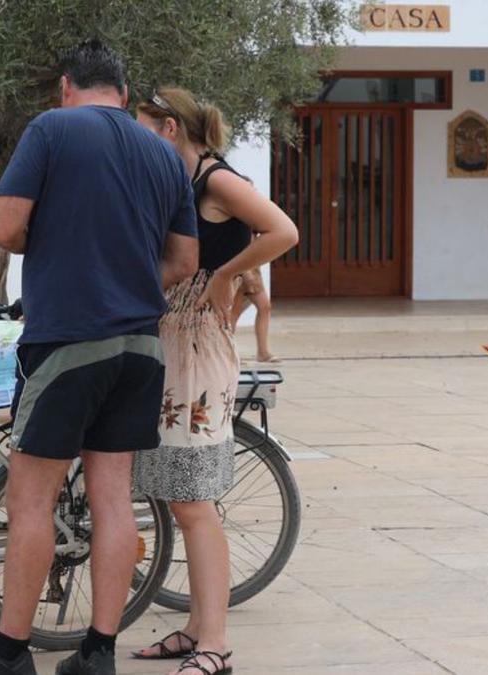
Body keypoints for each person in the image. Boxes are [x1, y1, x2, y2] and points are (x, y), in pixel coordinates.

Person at [0, 39, 199, 675]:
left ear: (65, 87)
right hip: (140, 346)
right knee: (113, 499)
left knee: (32, 501)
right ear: (124, 94)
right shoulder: (163, 154)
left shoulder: (52, 128)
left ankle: (8, 654)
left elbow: (4, 228)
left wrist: (56, 246)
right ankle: (98, 653)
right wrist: (130, 278)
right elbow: (186, 261)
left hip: (67, 344)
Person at [132, 87, 298, 675]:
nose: (138, 136)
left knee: (193, 500)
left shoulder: (217, 181)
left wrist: (225, 274)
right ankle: (198, 628)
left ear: (170, 127)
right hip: (175, 343)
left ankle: (216, 643)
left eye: (145, 126)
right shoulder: (181, 182)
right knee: (183, 498)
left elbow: (283, 231)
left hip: (198, 346)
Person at [230, 267, 278, 362]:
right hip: (241, 268)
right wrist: (245, 272)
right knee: (234, 312)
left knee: (264, 307)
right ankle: (228, 354)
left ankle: (263, 352)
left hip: (253, 268)